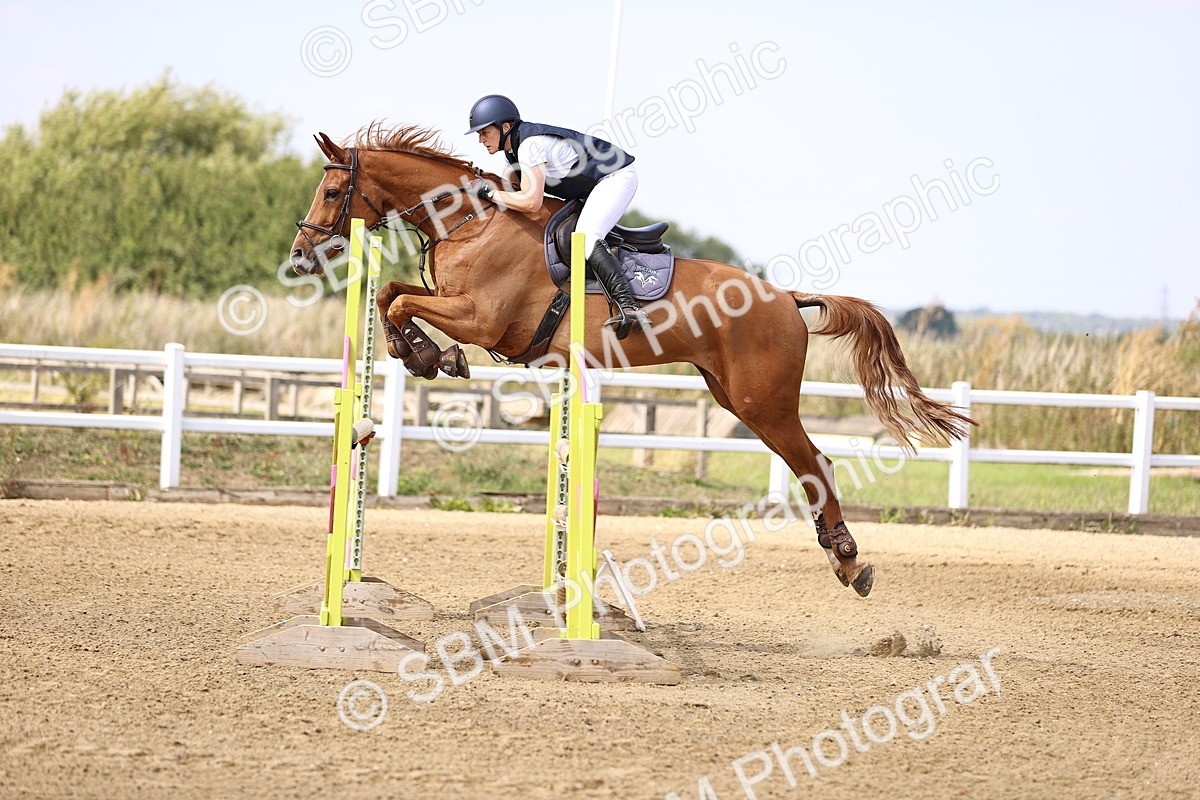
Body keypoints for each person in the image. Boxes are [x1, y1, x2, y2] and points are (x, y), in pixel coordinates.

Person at [465, 94, 650, 340]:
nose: (481, 140)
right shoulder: (513, 153)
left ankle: (629, 306)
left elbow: (531, 202)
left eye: (485, 132)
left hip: (616, 178)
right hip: (591, 185)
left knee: (585, 237)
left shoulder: (530, 146)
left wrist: (490, 193)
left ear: (505, 127)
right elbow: (512, 189)